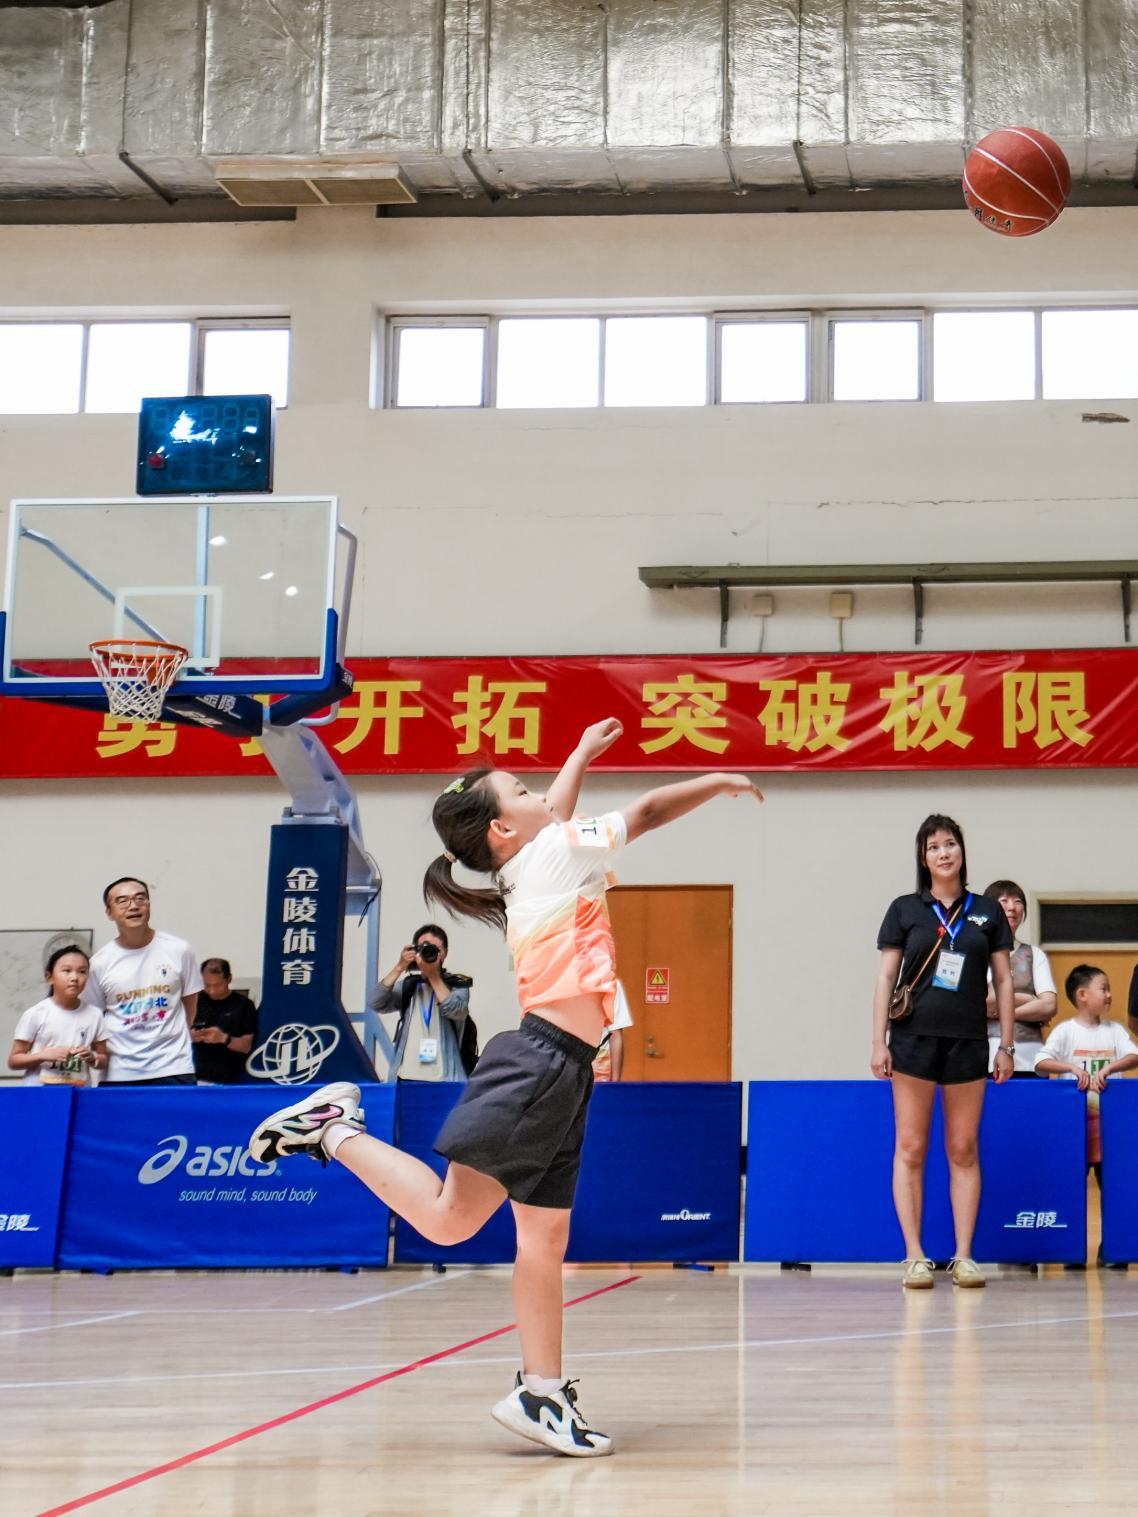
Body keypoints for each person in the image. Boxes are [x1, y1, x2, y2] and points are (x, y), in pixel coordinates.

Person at [249, 718, 762, 1457]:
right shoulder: (551, 851)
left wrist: (579, 753)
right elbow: (645, 811)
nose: (541, 794)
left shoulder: (531, 861)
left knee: (543, 1239)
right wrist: (717, 780)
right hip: (542, 1064)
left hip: (564, 1068)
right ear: (501, 827)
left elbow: (547, 814)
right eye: (522, 789)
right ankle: (332, 1127)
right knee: (448, 1221)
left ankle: (542, 1392)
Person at [872, 814, 1015, 1291]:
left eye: (950, 844)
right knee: (911, 1147)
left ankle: (964, 1256)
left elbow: (1004, 981)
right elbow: (885, 978)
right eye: (933, 847)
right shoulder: (904, 909)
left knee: (963, 1148)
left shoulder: (987, 912)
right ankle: (915, 1256)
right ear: (923, 857)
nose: (943, 853)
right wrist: (878, 1041)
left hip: (969, 1042)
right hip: (911, 1040)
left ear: (961, 850)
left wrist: (1006, 1045)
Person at [1035, 964, 1138, 1266]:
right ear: (1082, 995)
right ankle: (1072, 1249)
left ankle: (1113, 1250)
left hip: (1108, 1130)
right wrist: (1069, 1068)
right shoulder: (1065, 1032)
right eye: (1103, 989)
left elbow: (1134, 1055)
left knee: (1113, 1189)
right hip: (1075, 1130)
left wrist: (1110, 1068)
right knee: (1071, 1188)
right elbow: (1041, 1062)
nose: (1109, 995)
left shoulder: (1115, 1031)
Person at [86, 876, 203, 1086]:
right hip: (119, 1072)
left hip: (173, 1067)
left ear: (149, 905)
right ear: (109, 913)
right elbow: (94, 1018)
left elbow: (190, 1006)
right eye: (122, 901)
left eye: (140, 898)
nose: (133, 906)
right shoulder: (99, 963)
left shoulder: (179, 950)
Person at [367, 924, 472, 1084]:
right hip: (407, 1077)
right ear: (415, 952)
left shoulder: (457, 985)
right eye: (424, 948)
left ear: (444, 953)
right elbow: (375, 1002)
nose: (429, 952)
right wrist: (399, 967)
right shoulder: (409, 986)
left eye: (435, 949)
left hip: (446, 1078)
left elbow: (456, 1011)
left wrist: (433, 976)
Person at [983, 879, 1057, 1077]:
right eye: (1004, 901)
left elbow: (1049, 1005)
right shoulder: (977, 953)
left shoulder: (1033, 954)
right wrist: (1028, 999)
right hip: (986, 1056)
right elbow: (982, 1003)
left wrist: (1001, 1011)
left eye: (1018, 901)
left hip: (1031, 1057)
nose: (1012, 907)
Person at [8, 945, 107, 1086]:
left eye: (82, 972)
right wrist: (43, 1056)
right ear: (49, 977)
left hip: (78, 1092)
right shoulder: (35, 1014)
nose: (74, 977)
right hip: (40, 1092)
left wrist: (92, 1058)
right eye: (67, 971)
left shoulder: (95, 1015)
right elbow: (14, 1061)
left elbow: (103, 1060)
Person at [190, 957, 258, 1084]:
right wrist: (191, 1036)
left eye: (218, 985)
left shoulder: (244, 1005)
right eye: (207, 985)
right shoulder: (194, 1001)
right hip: (195, 1075)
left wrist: (223, 1038)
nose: (212, 990)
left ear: (229, 979)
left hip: (229, 1078)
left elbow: (246, 1046)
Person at [592, 980, 634, 1083]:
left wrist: (615, 1083)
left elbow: (615, 1034)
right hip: (566, 1066)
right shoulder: (563, 980)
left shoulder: (611, 984)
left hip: (599, 1070)